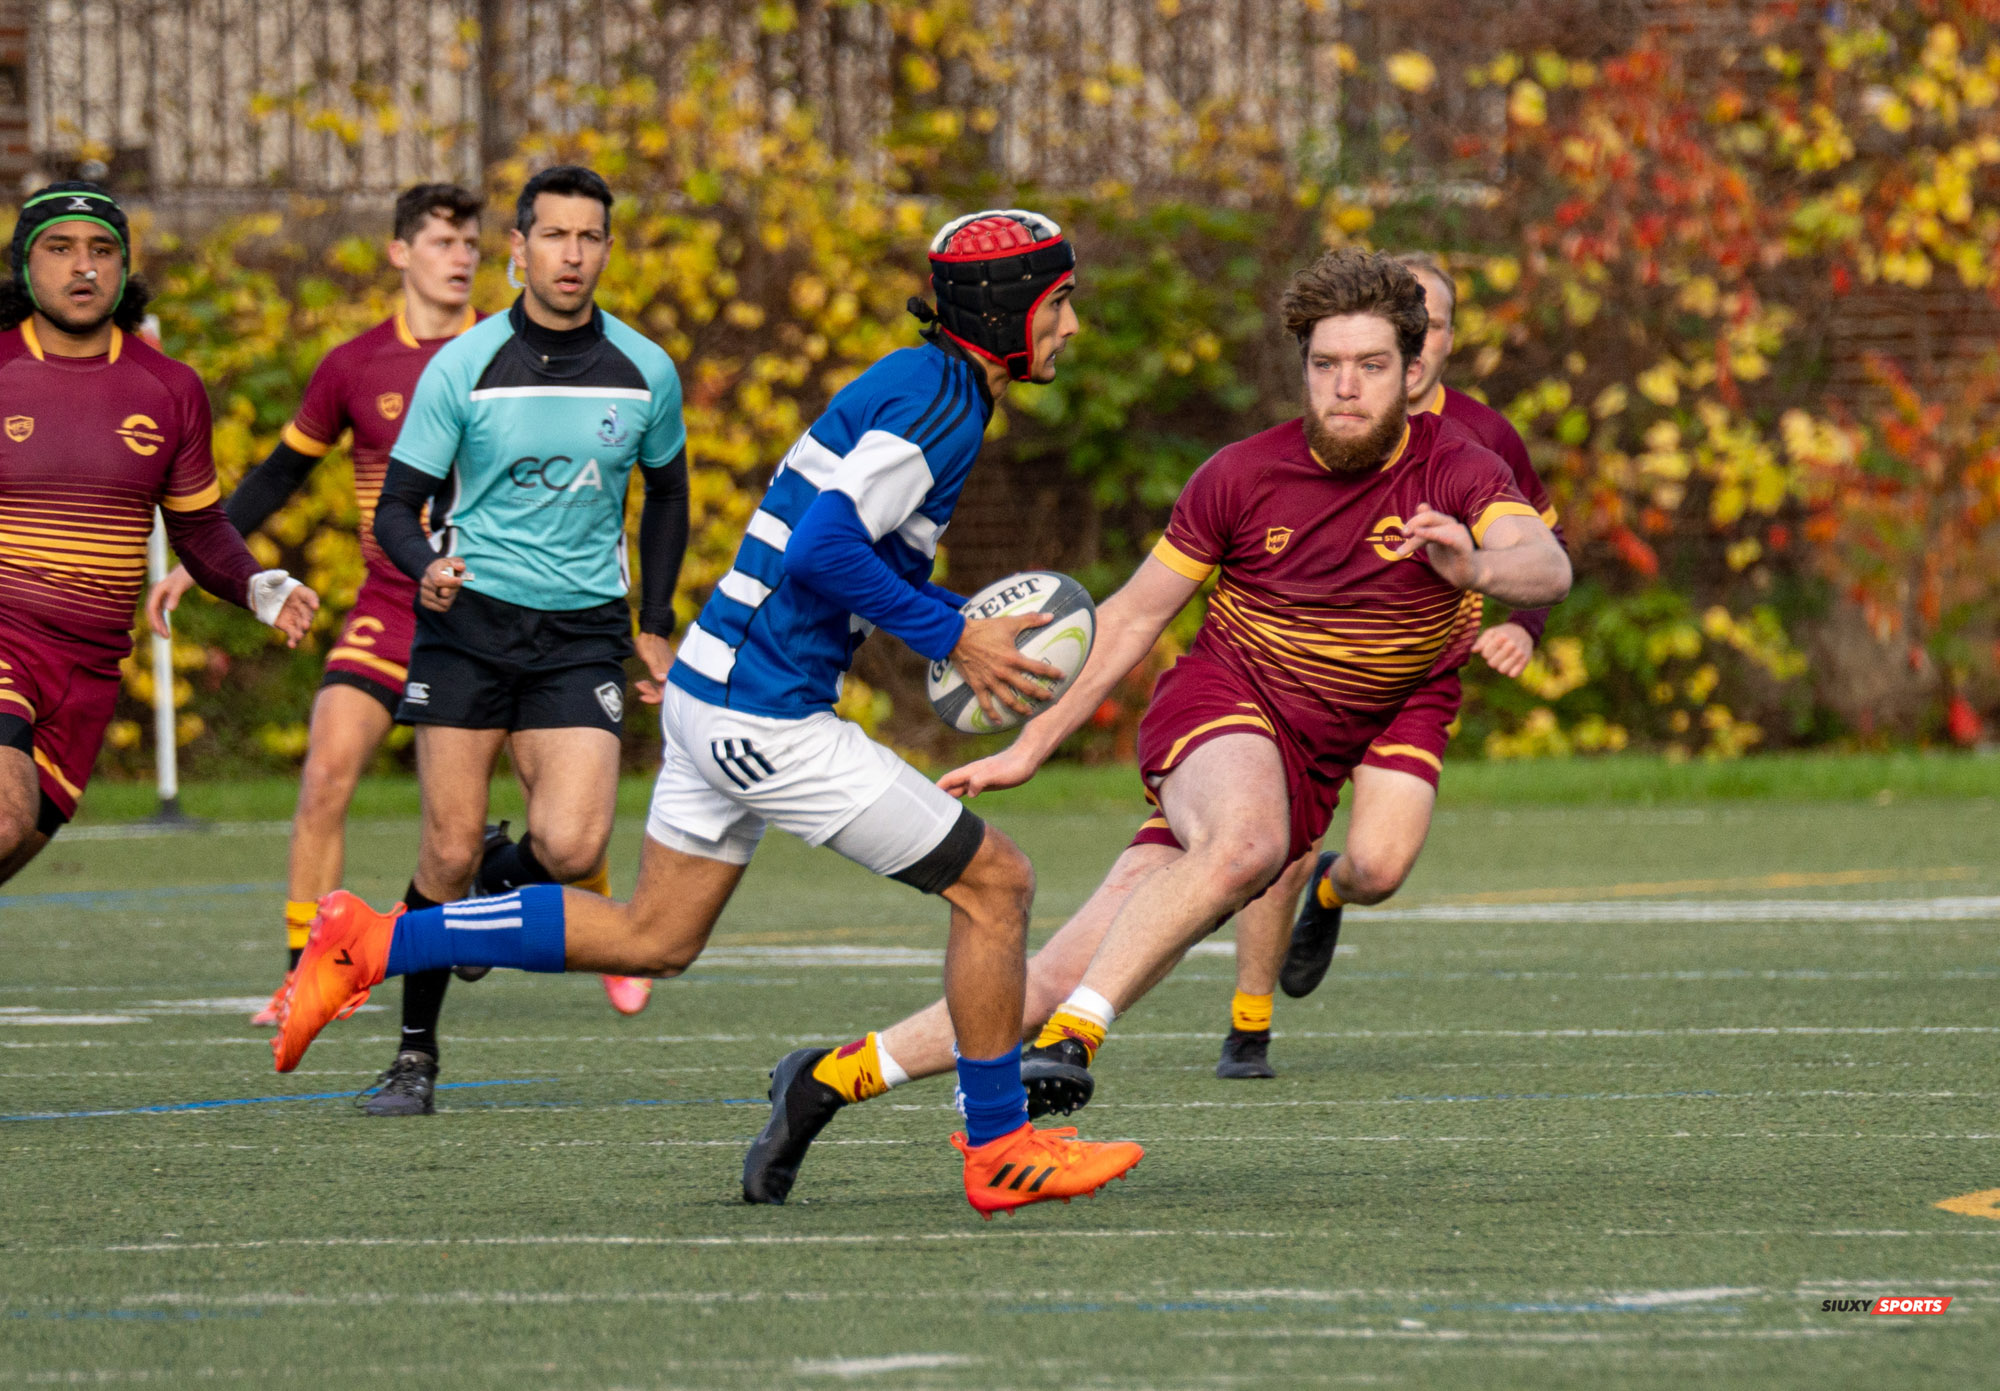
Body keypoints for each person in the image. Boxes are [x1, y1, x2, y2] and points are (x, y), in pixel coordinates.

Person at [272, 209, 1145, 1218]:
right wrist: (951, 630)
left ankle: (376, 943)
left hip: (707, 686)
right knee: (997, 884)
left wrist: (941, 618)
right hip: (762, 713)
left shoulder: (923, 383)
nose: (1070, 328)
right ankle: (998, 1145)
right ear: (1004, 311)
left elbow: (828, 549)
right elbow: (824, 550)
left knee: (654, 935)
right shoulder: (942, 402)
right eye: (1060, 304)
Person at [734, 249, 1571, 1200]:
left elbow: (1545, 564)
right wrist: (1030, 746)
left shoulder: (1460, 470)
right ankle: (1076, 1040)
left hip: (1308, 769)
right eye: (1325, 364)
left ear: (1412, 369)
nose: (1345, 387)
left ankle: (827, 1079)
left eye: (1370, 366)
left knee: (1043, 974)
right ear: (1300, 366)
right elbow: (1131, 618)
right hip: (1221, 708)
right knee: (1246, 842)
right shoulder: (1240, 475)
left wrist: (1478, 573)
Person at [309, 164, 691, 1117]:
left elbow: (668, 495)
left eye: (589, 236)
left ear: (607, 247)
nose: (572, 254)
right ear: (517, 250)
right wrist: (425, 567)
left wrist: (655, 625)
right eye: (553, 236)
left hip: (578, 635)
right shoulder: (463, 365)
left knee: (570, 845)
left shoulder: (646, 370)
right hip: (468, 631)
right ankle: (413, 1057)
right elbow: (399, 510)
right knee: (441, 851)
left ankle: (490, 888)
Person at [1213, 249, 1568, 1081]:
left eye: (1432, 322)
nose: (1356, 375)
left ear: (1434, 342)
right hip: (1302, 678)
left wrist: (1526, 622)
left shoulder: (1480, 439)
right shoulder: (1330, 426)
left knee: (1380, 864)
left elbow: (1544, 548)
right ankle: (1248, 1026)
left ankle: (1333, 892)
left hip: (1414, 681)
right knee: (1276, 840)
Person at [147, 183, 491, 1037]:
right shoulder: (354, 365)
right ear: (399, 252)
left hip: (495, 613)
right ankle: (308, 975)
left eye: (472, 245)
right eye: (444, 242)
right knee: (325, 772)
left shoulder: (510, 355)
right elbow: (276, 476)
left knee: (545, 830)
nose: (460, 258)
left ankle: (516, 890)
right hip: (389, 602)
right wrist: (204, 558)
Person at [0, 182, 318, 880]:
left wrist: (256, 585)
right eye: (60, 249)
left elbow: (199, 529)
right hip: (5, 641)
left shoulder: (169, 387)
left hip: (87, 672)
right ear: (25, 264)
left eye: (101, 250)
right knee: (3, 817)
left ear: (123, 267)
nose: (83, 267)